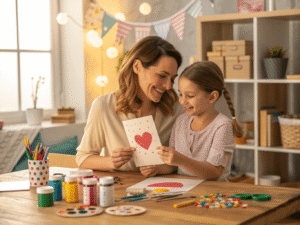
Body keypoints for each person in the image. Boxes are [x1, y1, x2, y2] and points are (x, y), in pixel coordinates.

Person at [76, 36, 185, 177]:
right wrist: (111, 162)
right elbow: (83, 158)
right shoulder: (104, 106)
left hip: (164, 190)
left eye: (172, 79)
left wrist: (160, 168)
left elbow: (185, 162)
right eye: (162, 76)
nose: (169, 86)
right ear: (137, 67)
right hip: (121, 190)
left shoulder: (176, 109)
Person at [156, 61, 243, 181]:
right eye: (181, 94)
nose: (182, 101)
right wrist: (157, 169)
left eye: (190, 96)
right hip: (184, 190)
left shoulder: (222, 125)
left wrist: (180, 159)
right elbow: (174, 164)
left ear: (212, 97)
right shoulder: (181, 121)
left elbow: (214, 173)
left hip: (213, 194)